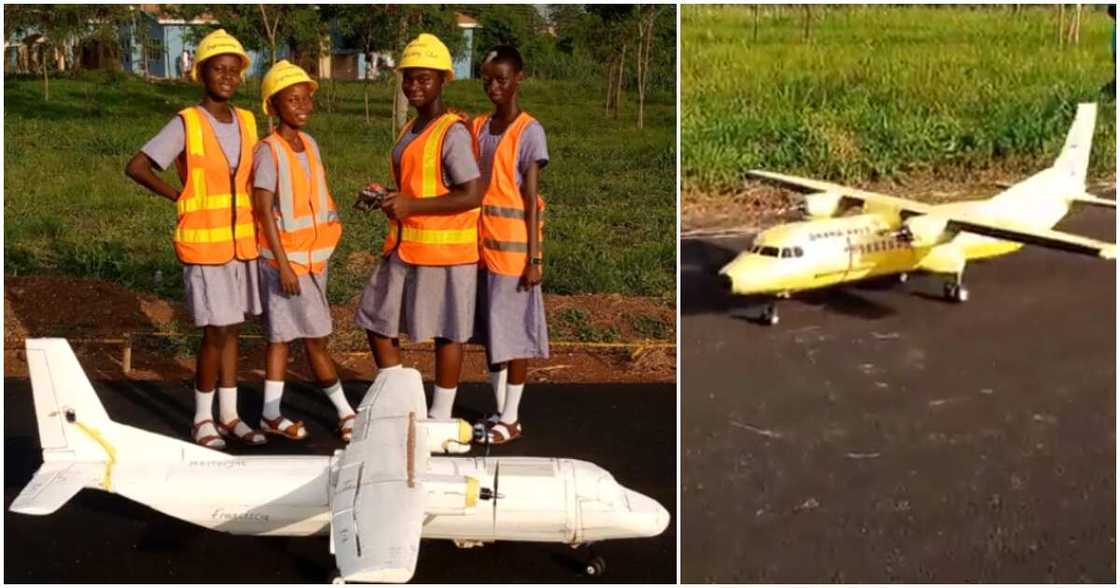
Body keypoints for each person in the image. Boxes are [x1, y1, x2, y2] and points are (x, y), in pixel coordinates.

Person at [124, 29, 264, 449]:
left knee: (234, 329)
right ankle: (202, 419)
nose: (226, 77)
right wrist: (179, 196)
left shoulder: (248, 121)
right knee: (214, 333)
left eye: (233, 70)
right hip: (205, 245)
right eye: (217, 70)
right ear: (201, 73)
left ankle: (231, 415)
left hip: (241, 243)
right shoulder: (187, 122)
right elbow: (138, 166)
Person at [354, 33, 482, 420]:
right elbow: (419, 183)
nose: (414, 86)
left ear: (444, 79)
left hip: (445, 251)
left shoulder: (452, 132)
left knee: (447, 332)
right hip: (406, 244)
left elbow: (472, 192)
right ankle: (400, 401)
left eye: (424, 78)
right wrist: (386, 195)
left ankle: (440, 418)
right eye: (409, 78)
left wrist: (411, 204)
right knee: (375, 318)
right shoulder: (410, 127)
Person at [251, 60, 355, 441]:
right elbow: (262, 208)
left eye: (306, 99)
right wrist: (283, 266)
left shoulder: (309, 144)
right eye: (293, 100)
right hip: (286, 264)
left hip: (313, 261)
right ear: (274, 106)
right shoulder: (269, 151)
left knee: (282, 338)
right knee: (314, 338)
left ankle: (270, 415)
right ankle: (346, 413)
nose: (303, 106)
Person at [470, 45, 550, 444]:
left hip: (514, 253)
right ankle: (499, 411)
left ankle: (512, 418)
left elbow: (531, 198)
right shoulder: (480, 127)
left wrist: (534, 258)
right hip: (481, 249)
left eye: (501, 79)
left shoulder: (528, 131)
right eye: (487, 80)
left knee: (513, 336)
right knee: (491, 334)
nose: (494, 87)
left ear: (519, 78)